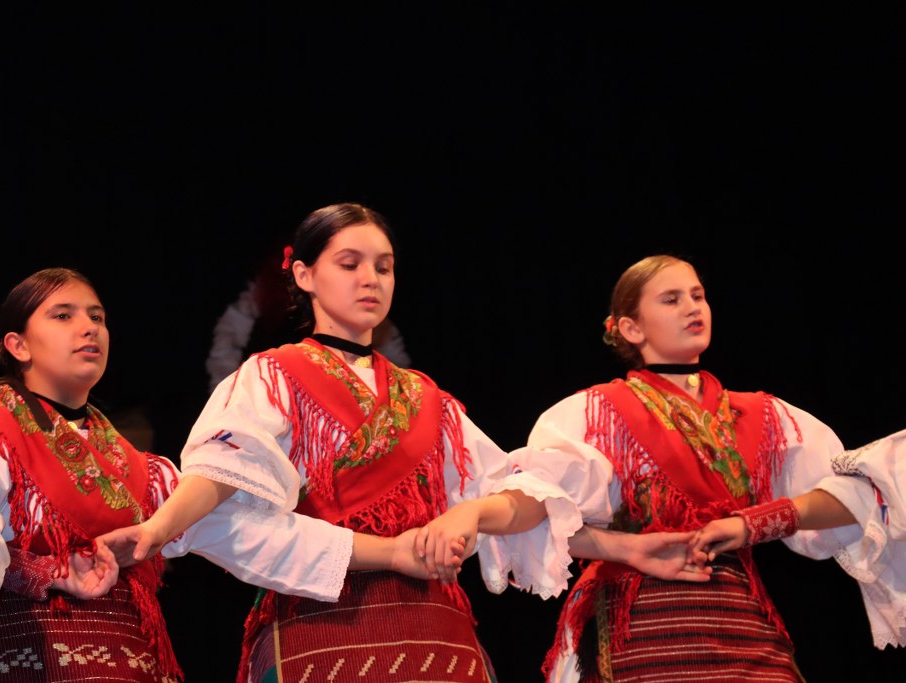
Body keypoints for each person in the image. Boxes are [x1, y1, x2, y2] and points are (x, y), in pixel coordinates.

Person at [98, 204, 717, 683]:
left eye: (384, 266)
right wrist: (156, 530)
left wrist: (624, 547)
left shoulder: (427, 399)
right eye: (350, 263)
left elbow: (522, 497)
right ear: (305, 275)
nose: (370, 278)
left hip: (438, 635)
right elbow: (220, 477)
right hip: (323, 627)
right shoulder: (274, 375)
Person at [0, 267, 431, 683]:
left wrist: (394, 553)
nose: (89, 327)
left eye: (97, 317)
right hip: (29, 663)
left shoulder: (146, 474)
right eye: (63, 315)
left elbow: (258, 533)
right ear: (18, 345)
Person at [420, 254, 905, 683]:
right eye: (671, 299)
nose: (693, 307)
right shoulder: (596, 414)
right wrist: (624, 546)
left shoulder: (764, 416)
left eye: (698, 295)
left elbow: (859, 495)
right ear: (631, 328)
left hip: (739, 620)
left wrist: (751, 524)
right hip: (640, 624)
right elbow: (542, 513)